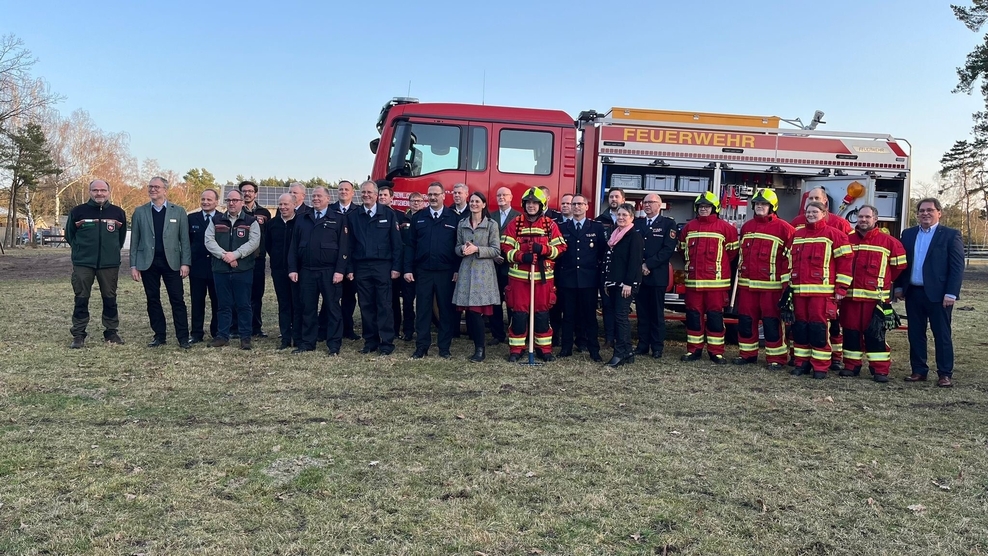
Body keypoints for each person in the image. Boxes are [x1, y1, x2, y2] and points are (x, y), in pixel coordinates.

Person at [893, 198, 965, 387]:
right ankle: (918, 370)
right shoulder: (908, 234)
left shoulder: (950, 235)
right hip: (913, 292)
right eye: (921, 210)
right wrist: (899, 286)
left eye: (930, 210)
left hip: (939, 295)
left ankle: (944, 373)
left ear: (939, 213)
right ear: (917, 214)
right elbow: (902, 263)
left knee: (941, 334)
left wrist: (951, 293)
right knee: (915, 333)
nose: (925, 213)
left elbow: (957, 267)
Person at [841, 205, 907, 382]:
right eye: (860, 217)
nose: (863, 220)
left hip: (875, 300)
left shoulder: (889, 242)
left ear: (875, 219)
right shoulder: (846, 240)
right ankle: (851, 366)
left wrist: (883, 282)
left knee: (876, 334)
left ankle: (880, 369)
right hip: (851, 298)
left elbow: (898, 267)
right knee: (850, 333)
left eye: (867, 217)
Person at [501, 187, 566, 362]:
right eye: (528, 203)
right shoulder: (515, 224)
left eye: (535, 203)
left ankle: (543, 349)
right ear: (524, 204)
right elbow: (505, 248)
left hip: (543, 280)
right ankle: (516, 349)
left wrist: (543, 249)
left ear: (541, 205)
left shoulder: (549, 225)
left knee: (542, 314)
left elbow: (560, 248)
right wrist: (522, 256)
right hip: (519, 279)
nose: (531, 206)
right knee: (519, 315)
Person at [788, 201, 852, 378]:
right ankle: (802, 363)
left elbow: (845, 263)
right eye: (808, 212)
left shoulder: (835, 235)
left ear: (824, 213)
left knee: (819, 329)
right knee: (800, 328)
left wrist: (841, 288)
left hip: (822, 293)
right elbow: (788, 262)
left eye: (815, 212)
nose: (811, 215)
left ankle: (820, 366)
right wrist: (788, 287)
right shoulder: (797, 235)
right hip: (799, 292)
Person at [733, 189, 794, 369]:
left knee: (772, 323)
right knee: (746, 321)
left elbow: (788, 260)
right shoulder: (747, 227)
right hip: (747, 287)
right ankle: (747, 355)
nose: (760, 206)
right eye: (757, 204)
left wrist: (786, 287)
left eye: (764, 204)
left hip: (771, 288)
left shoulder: (785, 229)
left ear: (772, 207)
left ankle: (777, 359)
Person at [129, 176, 192, 349]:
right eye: (150, 186)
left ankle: (183, 337)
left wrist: (185, 263)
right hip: (148, 263)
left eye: (156, 187)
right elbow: (135, 240)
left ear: (165, 190)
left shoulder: (178, 211)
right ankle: (159, 335)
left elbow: (184, 240)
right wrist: (133, 265)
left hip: (172, 263)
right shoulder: (139, 212)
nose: (153, 189)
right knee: (153, 299)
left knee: (177, 300)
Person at [65, 179, 127, 348]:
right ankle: (78, 334)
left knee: (110, 298)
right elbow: (70, 236)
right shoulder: (78, 212)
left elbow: (119, 239)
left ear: (109, 192)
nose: (99, 193)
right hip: (83, 263)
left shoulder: (118, 213)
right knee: (81, 298)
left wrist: (110, 252)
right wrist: (81, 251)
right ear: (89, 192)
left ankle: (111, 332)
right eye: (95, 190)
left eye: (103, 190)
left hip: (109, 264)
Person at [288, 187, 350, 356]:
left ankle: (334, 345)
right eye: (313, 196)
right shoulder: (302, 219)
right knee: (307, 308)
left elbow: (344, 247)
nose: (315, 198)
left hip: (329, 272)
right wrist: (293, 268)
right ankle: (308, 342)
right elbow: (293, 246)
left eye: (319, 196)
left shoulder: (338, 219)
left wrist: (340, 271)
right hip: (307, 271)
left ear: (328, 199)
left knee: (332, 309)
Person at [679, 192, 739, 364]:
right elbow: (683, 251)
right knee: (693, 318)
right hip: (693, 284)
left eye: (707, 206)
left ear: (715, 208)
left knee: (715, 318)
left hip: (716, 285)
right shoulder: (689, 227)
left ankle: (716, 352)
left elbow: (732, 254)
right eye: (701, 207)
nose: (703, 209)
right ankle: (694, 350)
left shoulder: (726, 228)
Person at [347, 180, 403, 355]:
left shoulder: (388, 214)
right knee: (366, 305)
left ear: (377, 195)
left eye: (369, 192)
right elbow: (348, 246)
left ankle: (386, 343)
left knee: (384, 305)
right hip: (361, 266)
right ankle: (370, 341)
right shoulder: (354, 216)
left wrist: (396, 267)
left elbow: (397, 244)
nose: (366, 195)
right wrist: (349, 268)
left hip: (383, 266)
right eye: (363, 192)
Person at [405, 182, 460, 358]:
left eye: (436, 194)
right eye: (430, 195)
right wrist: (408, 269)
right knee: (423, 310)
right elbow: (410, 246)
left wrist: (457, 270)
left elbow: (458, 247)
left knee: (445, 310)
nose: (433, 197)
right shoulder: (418, 218)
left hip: (446, 272)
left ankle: (444, 348)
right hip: (423, 271)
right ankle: (422, 346)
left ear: (444, 196)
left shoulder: (453, 218)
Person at [204, 189, 261, 349]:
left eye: (235, 200)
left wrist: (235, 255)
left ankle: (245, 337)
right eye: (229, 200)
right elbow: (209, 241)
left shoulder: (251, 222)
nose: (232, 203)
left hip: (243, 270)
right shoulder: (216, 220)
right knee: (223, 305)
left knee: (244, 305)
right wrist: (225, 256)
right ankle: (222, 336)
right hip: (220, 270)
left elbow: (253, 242)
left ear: (242, 202)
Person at [555, 194, 606, 361]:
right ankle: (566, 348)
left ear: (586, 207)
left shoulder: (596, 228)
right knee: (568, 316)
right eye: (573, 204)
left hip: (588, 280)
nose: (576, 207)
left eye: (579, 204)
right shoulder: (561, 227)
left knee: (590, 317)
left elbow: (602, 253)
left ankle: (594, 350)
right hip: (567, 279)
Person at [453, 192, 502, 362]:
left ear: (483, 204)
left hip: (484, 273)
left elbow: (496, 250)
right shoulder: (462, 224)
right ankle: (477, 346)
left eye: (477, 201)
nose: (474, 204)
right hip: (467, 271)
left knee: (477, 312)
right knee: (470, 312)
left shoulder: (492, 225)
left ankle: (480, 349)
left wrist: (477, 249)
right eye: (472, 201)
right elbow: (457, 246)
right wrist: (462, 250)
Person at [634, 193, 678, 359]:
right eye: (645, 202)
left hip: (657, 276)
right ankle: (643, 345)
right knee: (642, 313)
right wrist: (639, 266)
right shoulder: (637, 224)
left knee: (657, 314)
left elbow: (668, 250)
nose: (647, 205)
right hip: (640, 276)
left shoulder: (668, 224)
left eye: (651, 202)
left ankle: (657, 347)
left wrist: (648, 264)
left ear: (660, 205)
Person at [602, 203, 643, 367]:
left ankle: (619, 354)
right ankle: (628, 352)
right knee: (617, 317)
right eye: (619, 215)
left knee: (621, 319)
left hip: (625, 285)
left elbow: (635, 262)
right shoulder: (615, 235)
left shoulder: (634, 236)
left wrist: (628, 284)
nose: (621, 218)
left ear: (632, 218)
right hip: (613, 283)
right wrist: (607, 280)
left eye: (625, 215)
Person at [378, 181, 414, 342]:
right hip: (384, 265)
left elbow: (405, 243)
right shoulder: (373, 215)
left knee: (406, 300)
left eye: (385, 195)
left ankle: (405, 330)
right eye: (380, 195)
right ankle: (389, 329)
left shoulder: (400, 216)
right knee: (389, 300)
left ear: (391, 198)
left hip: (400, 264)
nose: (382, 198)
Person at [267, 193, 302, 350]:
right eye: (280, 204)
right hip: (279, 270)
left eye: (286, 204)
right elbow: (268, 245)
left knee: (298, 304)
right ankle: (285, 338)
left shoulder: (301, 223)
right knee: (284, 304)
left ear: (294, 204)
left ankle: (298, 337)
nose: (283, 207)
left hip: (297, 271)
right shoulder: (272, 224)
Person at [239, 180, 272, 338]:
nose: (247, 193)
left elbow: (269, 236)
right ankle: (237, 327)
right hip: (240, 260)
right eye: (244, 191)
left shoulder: (264, 213)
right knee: (240, 295)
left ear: (255, 193)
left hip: (258, 260)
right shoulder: (235, 212)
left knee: (257, 295)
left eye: (250, 191)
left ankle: (256, 328)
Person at [187, 189, 220, 344]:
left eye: (209, 200)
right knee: (197, 301)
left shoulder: (223, 219)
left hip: (217, 268)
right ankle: (196, 333)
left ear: (216, 202)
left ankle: (217, 331)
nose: (205, 202)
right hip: (197, 268)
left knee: (218, 301)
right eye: (203, 199)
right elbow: (186, 243)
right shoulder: (191, 218)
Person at [490, 186, 520, 345]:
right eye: (499, 195)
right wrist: (493, 255)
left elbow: (520, 241)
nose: (501, 197)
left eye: (504, 195)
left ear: (511, 197)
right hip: (494, 266)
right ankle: (497, 335)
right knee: (495, 301)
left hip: (511, 267)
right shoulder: (490, 215)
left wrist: (509, 256)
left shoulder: (518, 217)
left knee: (511, 302)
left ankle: (513, 333)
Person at [595, 187, 625, 348]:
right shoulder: (599, 220)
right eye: (611, 197)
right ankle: (608, 338)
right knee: (607, 305)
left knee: (621, 307)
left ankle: (621, 339)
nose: (613, 199)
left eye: (617, 197)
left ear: (623, 200)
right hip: (605, 270)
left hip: (622, 270)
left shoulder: (629, 220)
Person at [329, 180, 360, 340]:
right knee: (332, 298)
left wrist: (350, 267)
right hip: (333, 263)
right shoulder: (330, 210)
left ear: (353, 192)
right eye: (340, 189)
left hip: (352, 263)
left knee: (349, 297)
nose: (343, 191)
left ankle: (348, 329)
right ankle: (331, 329)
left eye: (347, 189)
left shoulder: (358, 211)